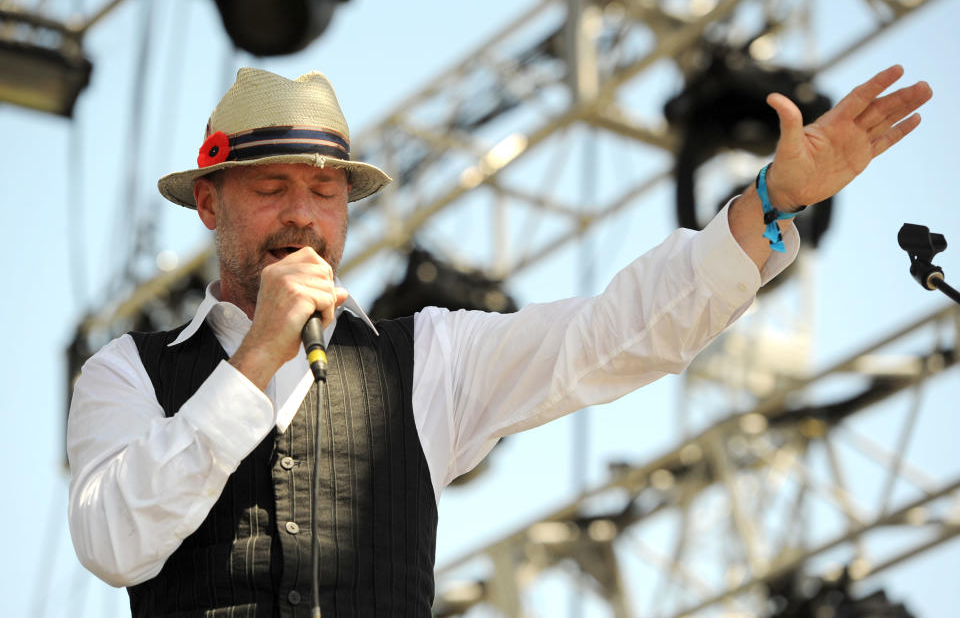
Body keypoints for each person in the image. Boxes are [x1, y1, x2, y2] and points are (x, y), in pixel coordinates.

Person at [67, 65, 931, 617]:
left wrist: (767, 206)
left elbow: (614, 334)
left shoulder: (429, 357)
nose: (303, 214)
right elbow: (112, 545)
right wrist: (255, 360)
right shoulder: (128, 374)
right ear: (211, 205)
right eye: (272, 188)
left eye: (325, 193)